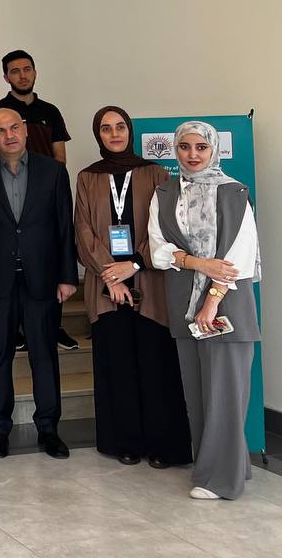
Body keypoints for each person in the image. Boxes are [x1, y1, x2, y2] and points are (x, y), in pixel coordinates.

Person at [149, 121, 260, 500]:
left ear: (213, 150)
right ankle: (230, 466)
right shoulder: (165, 193)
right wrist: (198, 263)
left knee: (225, 395)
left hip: (226, 305)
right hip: (184, 304)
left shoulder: (234, 192)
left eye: (201, 147)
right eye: (185, 147)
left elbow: (240, 256)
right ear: (175, 150)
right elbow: (159, 251)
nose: (192, 154)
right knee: (198, 396)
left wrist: (212, 300)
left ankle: (219, 481)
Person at [75, 107, 190, 468]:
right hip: (106, 286)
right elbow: (83, 231)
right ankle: (123, 441)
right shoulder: (87, 177)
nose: (114, 134)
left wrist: (135, 264)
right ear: (98, 134)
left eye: (120, 127)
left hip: (150, 281)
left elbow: (165, 229)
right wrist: (111, 275)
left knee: (155, 365)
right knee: (117, 366)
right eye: (106, 128)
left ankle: (162, 445)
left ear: (130, 131)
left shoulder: (155, 173)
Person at [0, 108, 78, 460]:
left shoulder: (53, 171)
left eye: (15, 127)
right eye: (0, 130)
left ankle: (49, 429)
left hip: (42, 278)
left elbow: (64, 226)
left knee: (44, 355)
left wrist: (67, 275)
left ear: (26, 130)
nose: (9, 135)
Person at [0, 50, 78, 351]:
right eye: (15, 71)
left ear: (35, 72)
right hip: (10, 201)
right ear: (6, 77)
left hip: (44, 196)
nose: (22, 75)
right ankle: (16, 330)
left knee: (48, 265)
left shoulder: (50, 111)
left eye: (27, 69)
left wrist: (47, 183)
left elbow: (60, 155)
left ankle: (54, 327)